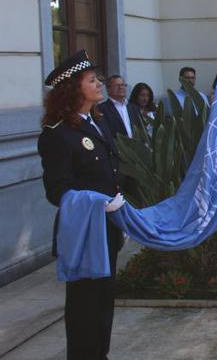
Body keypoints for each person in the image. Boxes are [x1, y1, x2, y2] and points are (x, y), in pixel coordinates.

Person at [37, 50, 126, 359]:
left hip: (107, 229)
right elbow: (57, 191)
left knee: (103, 304)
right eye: (92, 80)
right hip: (83, 233)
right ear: (74, 89)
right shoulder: (57, 134)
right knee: (84, 309)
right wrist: (98, 203)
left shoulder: (97, 122)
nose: (99, 83)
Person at [98, 75, 143, 140]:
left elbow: (141, 129)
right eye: (116, 85)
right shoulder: (101, 109)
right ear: (108, 89)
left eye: (123, 85)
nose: (121, 87)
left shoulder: (134, 108)